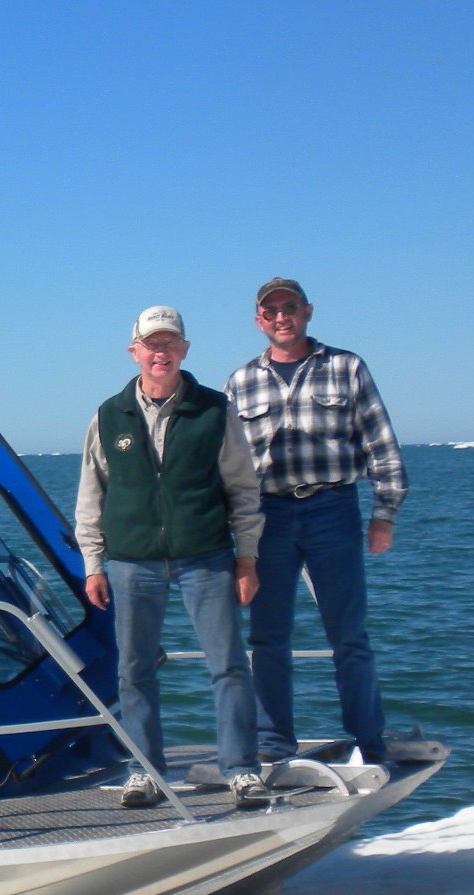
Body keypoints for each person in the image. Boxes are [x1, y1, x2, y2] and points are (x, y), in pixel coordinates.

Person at [76, 306, 267, 809]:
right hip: (131, 563)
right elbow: (91, 496)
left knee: (228, 665)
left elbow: (243, 489)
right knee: (134, 669)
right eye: (150, 344)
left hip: (205, 558)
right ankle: (144, 771)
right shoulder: (107, 415)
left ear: (184, 349)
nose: (160, 353)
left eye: (169, 344)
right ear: (134, 351)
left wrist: (246, 559)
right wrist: (93, 564)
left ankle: (242, 769)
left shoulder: (214, 410)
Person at [226, 277, 407, 764]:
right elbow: (228, 465)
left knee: (348, 635)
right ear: (258, 321)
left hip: (333, 510)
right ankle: (273, 744)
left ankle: (369, 742)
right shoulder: (240, 382)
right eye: (270, 311)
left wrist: (383, 514)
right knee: (267, 637)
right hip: (269, 517)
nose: (280, 317)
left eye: (289, 307)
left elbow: (381, 444)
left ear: (307, 311)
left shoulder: (346, 367)